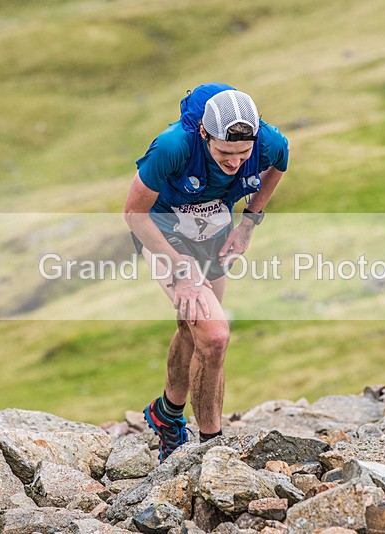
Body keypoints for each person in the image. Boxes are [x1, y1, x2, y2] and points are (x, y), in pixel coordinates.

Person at [124, 83, 289, 461]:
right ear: (204, 134)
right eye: (223, 154)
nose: (234, 163)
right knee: (214, 336)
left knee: (192, 328)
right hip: (162, 232)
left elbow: (280, 164)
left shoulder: (269, 141)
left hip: (213, 231)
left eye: (242, 154)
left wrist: (249, 223)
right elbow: (133, 213)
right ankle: (211, 447)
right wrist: (180, 268)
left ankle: (166, 414)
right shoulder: (172, 147)